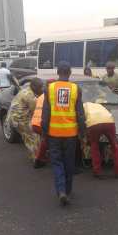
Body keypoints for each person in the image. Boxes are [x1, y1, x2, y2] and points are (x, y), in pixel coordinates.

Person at [41, 62, 86, 206]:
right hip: (71, 133)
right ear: (70, 73)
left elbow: (46, 112)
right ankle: (67, 190)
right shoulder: (75, 88)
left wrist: (44, 130)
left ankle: (61, 191)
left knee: (57, 162)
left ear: (58, 72)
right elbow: (80, 113)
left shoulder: (50, 88)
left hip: (54, 133)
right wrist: (82, 131)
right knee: (69, 162)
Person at [6, 78, 45, 166]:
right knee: (34, 136)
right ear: (33, 86)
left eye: (42, 87)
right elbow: (37, 111)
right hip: (20, 120)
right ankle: (36, 159)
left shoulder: (28, 90)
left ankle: (36, 155)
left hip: (17, 118)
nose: (42, 89)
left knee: (28, 137)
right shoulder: (29, 96)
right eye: (40, 87)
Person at [83, 102, 118, 178]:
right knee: (114, 146)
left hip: (93, 123)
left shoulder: (84, 105)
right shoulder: (99, 105)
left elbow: (81, 119)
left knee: (94, 146)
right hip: (109, 122)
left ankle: (97, 171)